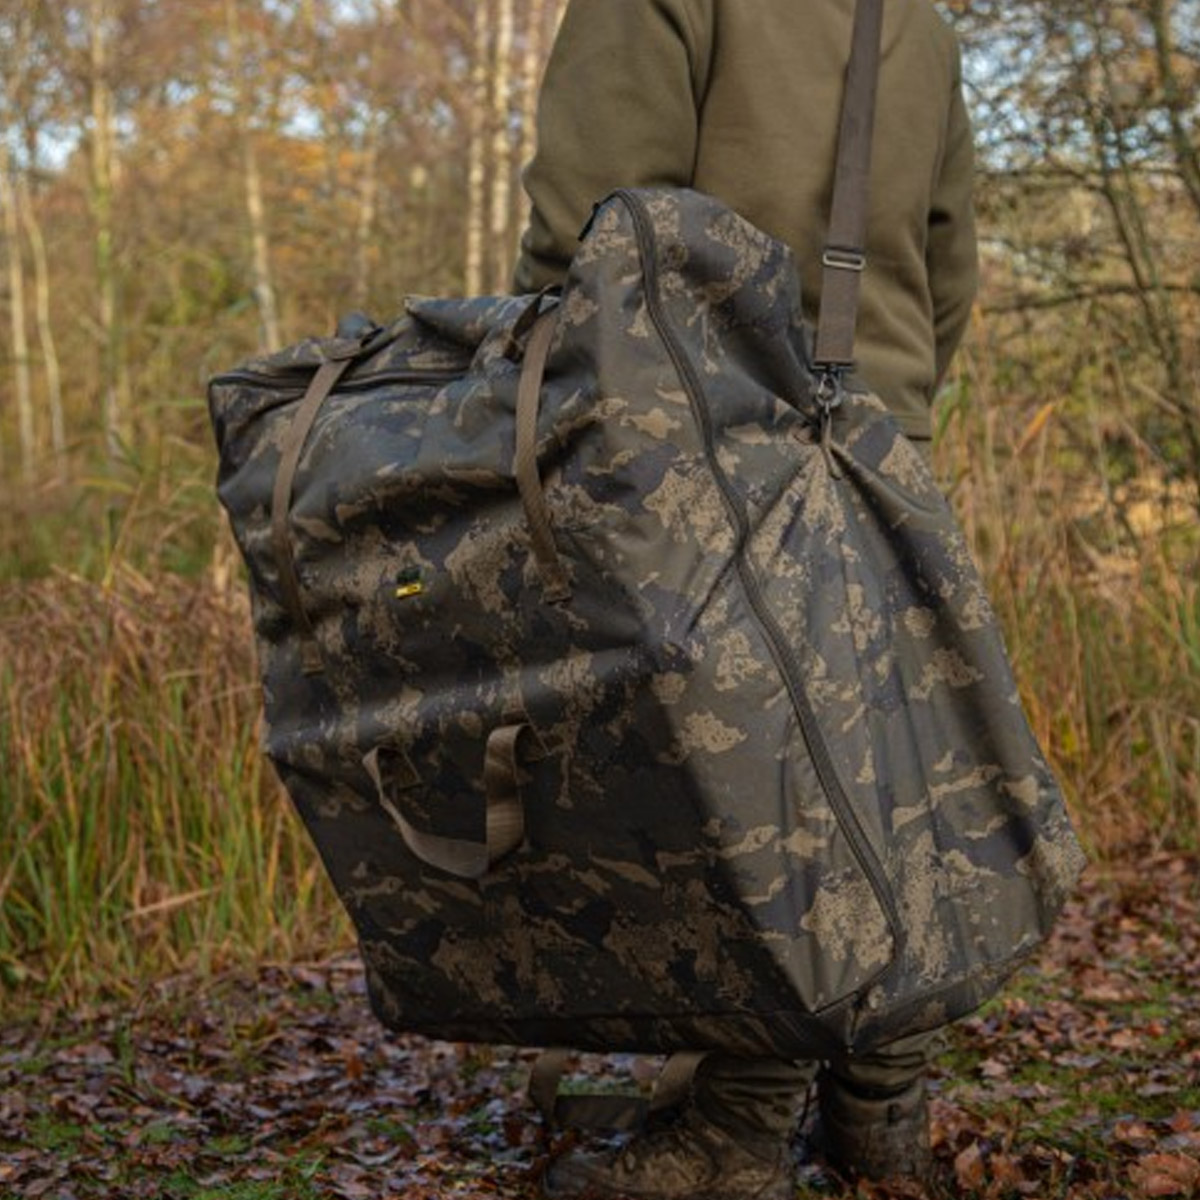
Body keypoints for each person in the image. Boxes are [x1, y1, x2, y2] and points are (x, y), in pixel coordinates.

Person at [511, 1, 979, 1197]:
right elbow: (948, 266)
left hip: (706, 434)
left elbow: (587, 229)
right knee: (870, 781)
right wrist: (884, 408)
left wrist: (532, 412)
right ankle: (879, 1112)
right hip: (885, 438)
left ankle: (738, 1133)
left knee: (758, 802)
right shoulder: (915, 22)